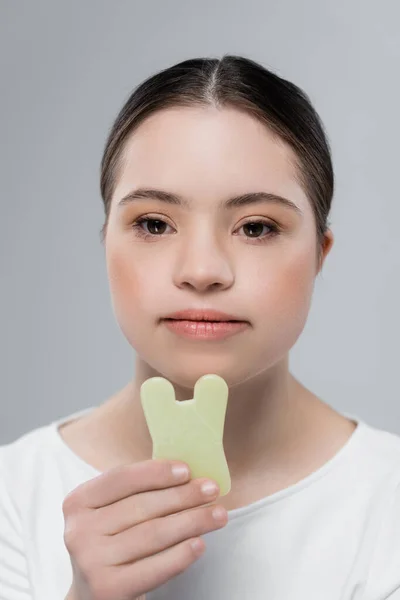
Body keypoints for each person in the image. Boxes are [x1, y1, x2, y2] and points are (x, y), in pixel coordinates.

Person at [1, 54, 400, 600]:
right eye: (154, 223)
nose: (202, 271)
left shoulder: (388, 505)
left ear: (319, 254)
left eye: (255, 227)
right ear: (105, 241)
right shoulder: (13, 495)